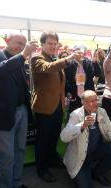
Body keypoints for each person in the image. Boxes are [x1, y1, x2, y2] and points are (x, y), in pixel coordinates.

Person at [31, 31, 78, 182]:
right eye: (49, 43)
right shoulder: (37, 58)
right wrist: (68, 58)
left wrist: (63, 100)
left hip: (58, 106)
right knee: (43, 140)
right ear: (42, 44)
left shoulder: (55, 59)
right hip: (44, 107)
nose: (52, 46)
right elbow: (48, 68)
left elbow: (60, 84)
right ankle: (42, 169)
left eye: (54, 43)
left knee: (53, 137)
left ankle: (52, 159)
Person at [0, 34, 38, 188]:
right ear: (7, 41)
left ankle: (17, 182)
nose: (21, 47)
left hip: (22, 110)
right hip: (4, 113)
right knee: (6, 156)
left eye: (23, 44)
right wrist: (24, 54)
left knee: (20, 150)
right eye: (18, 43)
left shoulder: (19, 60)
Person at [60, 90, 111, 188]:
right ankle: (83, 172)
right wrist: (82, 126)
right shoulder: (76, 115)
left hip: (94, 150)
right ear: (83, 103)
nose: (95, 103)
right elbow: (64, 137)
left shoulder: (102, 111)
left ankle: (98, 173)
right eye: (91, 101)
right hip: (79, 157)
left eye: (96, 100)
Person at [64, 44, 101, 113]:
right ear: (74, 53)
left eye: (82, 52)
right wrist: (67, 93)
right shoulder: (70, 64)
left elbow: (97, 73)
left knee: (89, 115)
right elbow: (66, 80)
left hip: (88, 96)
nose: (80, 54)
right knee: (74, 116)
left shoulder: (89, 63)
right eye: (78, 52)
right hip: (74, 97)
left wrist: (95, 62)